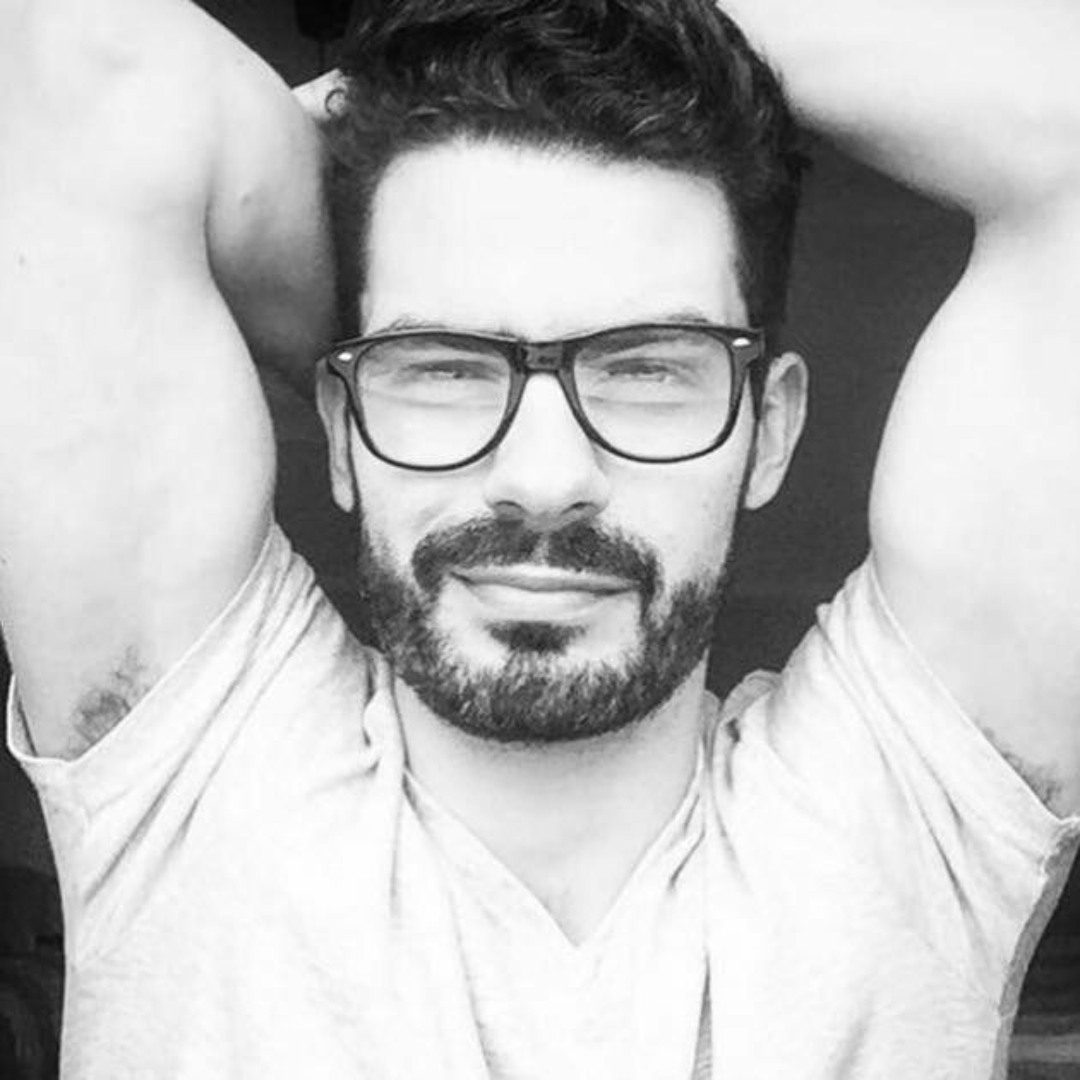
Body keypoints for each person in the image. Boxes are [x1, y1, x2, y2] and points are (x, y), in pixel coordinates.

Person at [2, 0, 1079, 1077]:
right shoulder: (189, 781)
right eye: (443, 366)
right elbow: (91, 62)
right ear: (342, 427)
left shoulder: (909, 827)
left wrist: (562, 12)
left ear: (769, 431)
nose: (546, 479)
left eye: (647, 368)